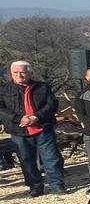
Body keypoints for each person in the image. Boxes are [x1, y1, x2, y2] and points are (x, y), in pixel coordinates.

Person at [0, 61, 66, 195]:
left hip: (42, 127)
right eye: (15, 72)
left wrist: (36, 117)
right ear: (11, 73)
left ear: (30, 73)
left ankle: (57, 184)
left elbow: (52, 104)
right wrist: (19, 119)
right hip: (18, 130)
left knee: (51, 157)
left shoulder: (43, 87)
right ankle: (35, 186)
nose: (19, 75)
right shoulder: (4, 89)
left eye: (22, 72)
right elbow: (1, 109)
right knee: (26, 160)